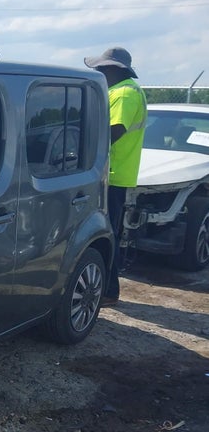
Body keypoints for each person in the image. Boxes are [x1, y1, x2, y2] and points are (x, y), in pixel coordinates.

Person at [84, 47, 147, 306]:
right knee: (108, 232)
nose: (99, 73)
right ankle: (108, 290)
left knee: (105, 234)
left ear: (114, 69)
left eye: (101, 69)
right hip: (115, 173)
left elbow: (113, 132)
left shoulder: (124, 94)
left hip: (112, 174)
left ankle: (109, 291)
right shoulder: (125, 91)